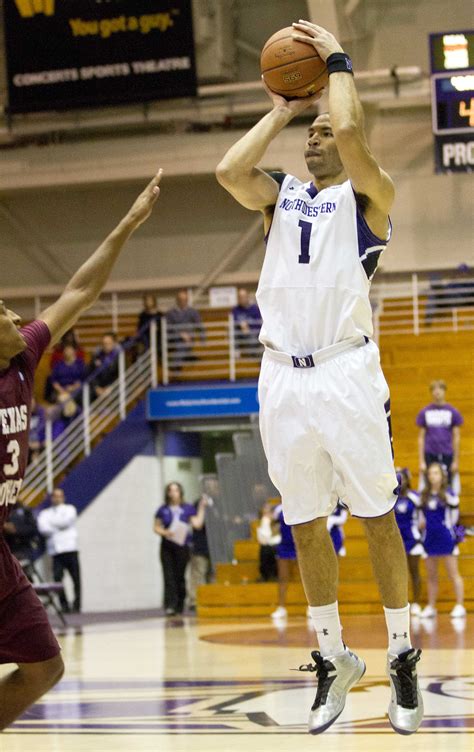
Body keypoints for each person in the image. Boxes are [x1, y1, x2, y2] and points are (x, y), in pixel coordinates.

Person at [216, 19, 422, 735]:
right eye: (312, 133)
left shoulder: (370, 199)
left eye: (323, 132)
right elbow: (227, 174)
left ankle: (401, 654)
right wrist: (279, 105)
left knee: (376, 518)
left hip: (345, 372)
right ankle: (334, 659)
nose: (315, 139)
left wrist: (335, 59)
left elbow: (359, 141)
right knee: (305, 527)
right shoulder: (283, 197)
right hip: (281, 377)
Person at [0, 168, 162, 729]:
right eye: (4, 313)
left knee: (45, 669)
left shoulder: (22, 356)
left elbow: (81, 291)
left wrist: (128, 222)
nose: (18, 318)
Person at [419, 463, 465, 619]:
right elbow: (421, 517)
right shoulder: (424, 495)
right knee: (431, 575)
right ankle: (431, 607)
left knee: (453, 573)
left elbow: (454, 516)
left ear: (442, 475)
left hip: (445, 536)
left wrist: (450, 530)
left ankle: (459, 605)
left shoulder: (449, 493)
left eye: (436, 473)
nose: (433, 476)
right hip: (429, 537)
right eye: (431, 473)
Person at [153, 482, 206, 616]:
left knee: (180, 575)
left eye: (176, 490)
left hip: (182, 546)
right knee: (168, 575)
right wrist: (165, 533)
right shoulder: (163, 509)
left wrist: (201, 508)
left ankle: (179, 604)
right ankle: (170, 605)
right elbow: (156, 526)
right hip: (167, 546)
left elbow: (197, 524)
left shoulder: (187, 508)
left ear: (180, 492)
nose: (173, 493)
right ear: (167, 493)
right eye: (170, 490)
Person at [37, 488, 81, 614]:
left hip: (70, 549)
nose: (57, 498)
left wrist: (52, 525)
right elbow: (43, 529)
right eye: (55, 496)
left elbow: (66, 522)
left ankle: (77, 606)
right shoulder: (45, 513)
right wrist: (58, 526)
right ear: (52, 498)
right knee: (58, 580)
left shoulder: (70, 509)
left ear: (63, 497)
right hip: (56, 551)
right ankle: (64, 606)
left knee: (76, 580)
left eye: (59, 496)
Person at [416, 379, 463, 490]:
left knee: (448, 485)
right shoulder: (425, 412)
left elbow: (456, 437)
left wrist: (456, 460)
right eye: (434, 389)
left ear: (444, 391)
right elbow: (421, 438)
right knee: (429, 486)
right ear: (431, 392)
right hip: (430, 454)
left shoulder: (452, 412)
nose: (437, 392)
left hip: (447, 454)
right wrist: (421, 461)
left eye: (440, 389)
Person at [394, 469, 424, 616]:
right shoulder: (391, 498)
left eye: (403, 478)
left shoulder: (414, 497)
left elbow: (423, 514)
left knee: (414, 572)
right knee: (398, 574)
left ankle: (417, 603)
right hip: (397, 541)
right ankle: (400, 605)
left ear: (407, 479)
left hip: (413, 539)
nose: (401, 481)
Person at [165, 290, 205, 370]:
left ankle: (177, 362)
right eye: (181, 299)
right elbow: (168, 327)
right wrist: (180, 334)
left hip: (189, 337)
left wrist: (202, 339)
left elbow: (199, 325)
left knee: (188, 330)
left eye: (185, 300)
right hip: (174, 337)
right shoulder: (170, 313)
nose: (183, 301)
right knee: (182, 342)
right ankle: (182, 359)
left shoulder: (193, 312)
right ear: (177, 300)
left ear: (187, 300)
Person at [187, 495, 212, 611]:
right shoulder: (197, 505)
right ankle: (194, 601)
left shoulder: (216, 505)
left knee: (210, 575)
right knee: (198, 574)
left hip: (213, 547)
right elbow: (198, 524)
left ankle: (208, 599)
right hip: (199, 547)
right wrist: (202, 507)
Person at [3, 499, 41, 565]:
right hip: (8, 551)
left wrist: (16, 530)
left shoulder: (25, 510)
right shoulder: (3, 512)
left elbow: (33, 529)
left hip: (24, 549)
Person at [89, 332, 120, 398]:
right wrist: (96, 387)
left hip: (113, 387)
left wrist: (109, 387)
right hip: (98, 388)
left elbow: (118, 375)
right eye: (103, 343)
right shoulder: (96, 356)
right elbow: (91, 374)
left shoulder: (119, 357)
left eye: (108, 343)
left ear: (114, 344)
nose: (105, 346)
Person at [232, 288, 262, 357]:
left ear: (247, 297)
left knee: (254, 338)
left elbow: (258, 324)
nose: (242, 299)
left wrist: (248, 327)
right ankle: (236, 352)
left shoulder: (255, 308)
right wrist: (241, 324)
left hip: (253, 333)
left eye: (243, 297)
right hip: (241, 333)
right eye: (240, 297)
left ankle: (252, 355)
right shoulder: (235, 310)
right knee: (233, 330)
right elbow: (234, 321)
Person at [256, 501, 280, 582]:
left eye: (269, 511)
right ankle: (265, 575)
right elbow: (264, 539)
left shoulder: (277, 522)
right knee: (265, 549)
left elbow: (277, 537)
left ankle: (274, 574)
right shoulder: (264, 521)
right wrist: (266, 520)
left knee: (271, 550)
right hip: (268, 545)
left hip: (277, 544)